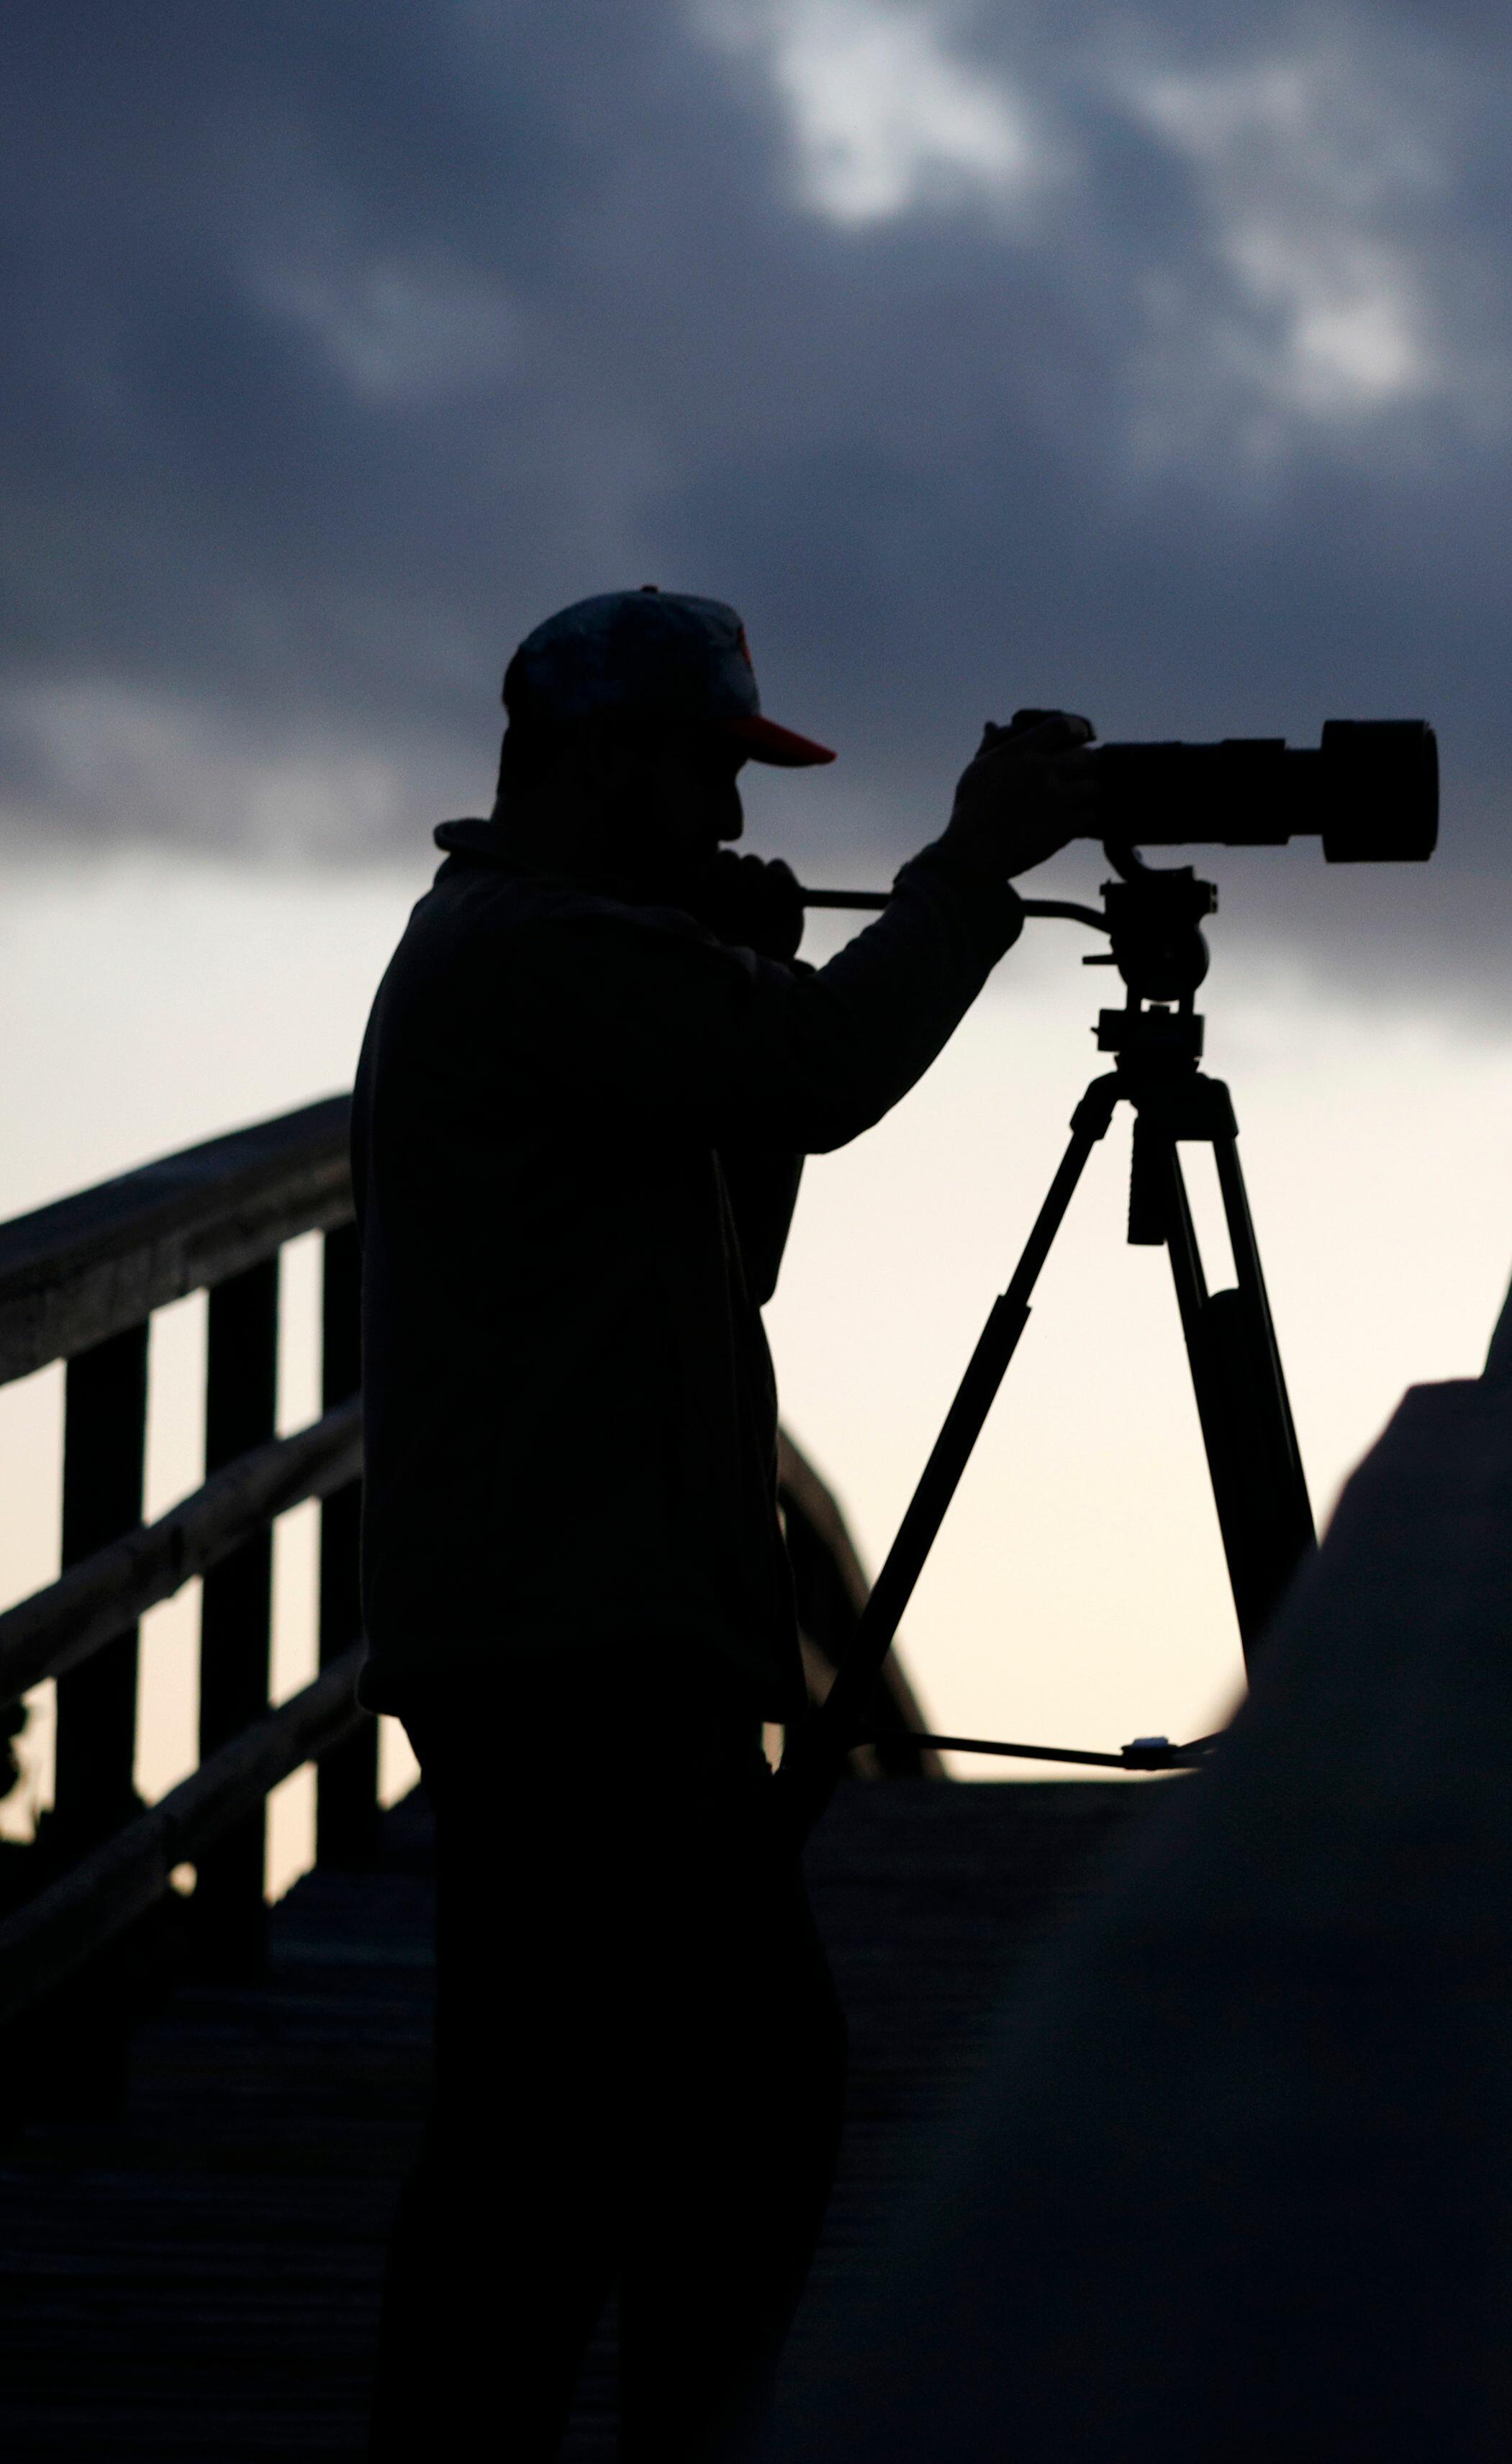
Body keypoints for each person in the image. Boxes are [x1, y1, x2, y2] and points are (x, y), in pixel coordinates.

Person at [355, 586, 1092, 2459]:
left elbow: (735, 1244)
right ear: (606, 764)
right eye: (711, 772)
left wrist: (737, 1006)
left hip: (576, 1623)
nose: (740, 822)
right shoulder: (531, 958)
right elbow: (829, 1076)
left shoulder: (552, 954)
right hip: (572, 1635)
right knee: (679, 2112)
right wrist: (971, 875)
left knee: (590, 2127)